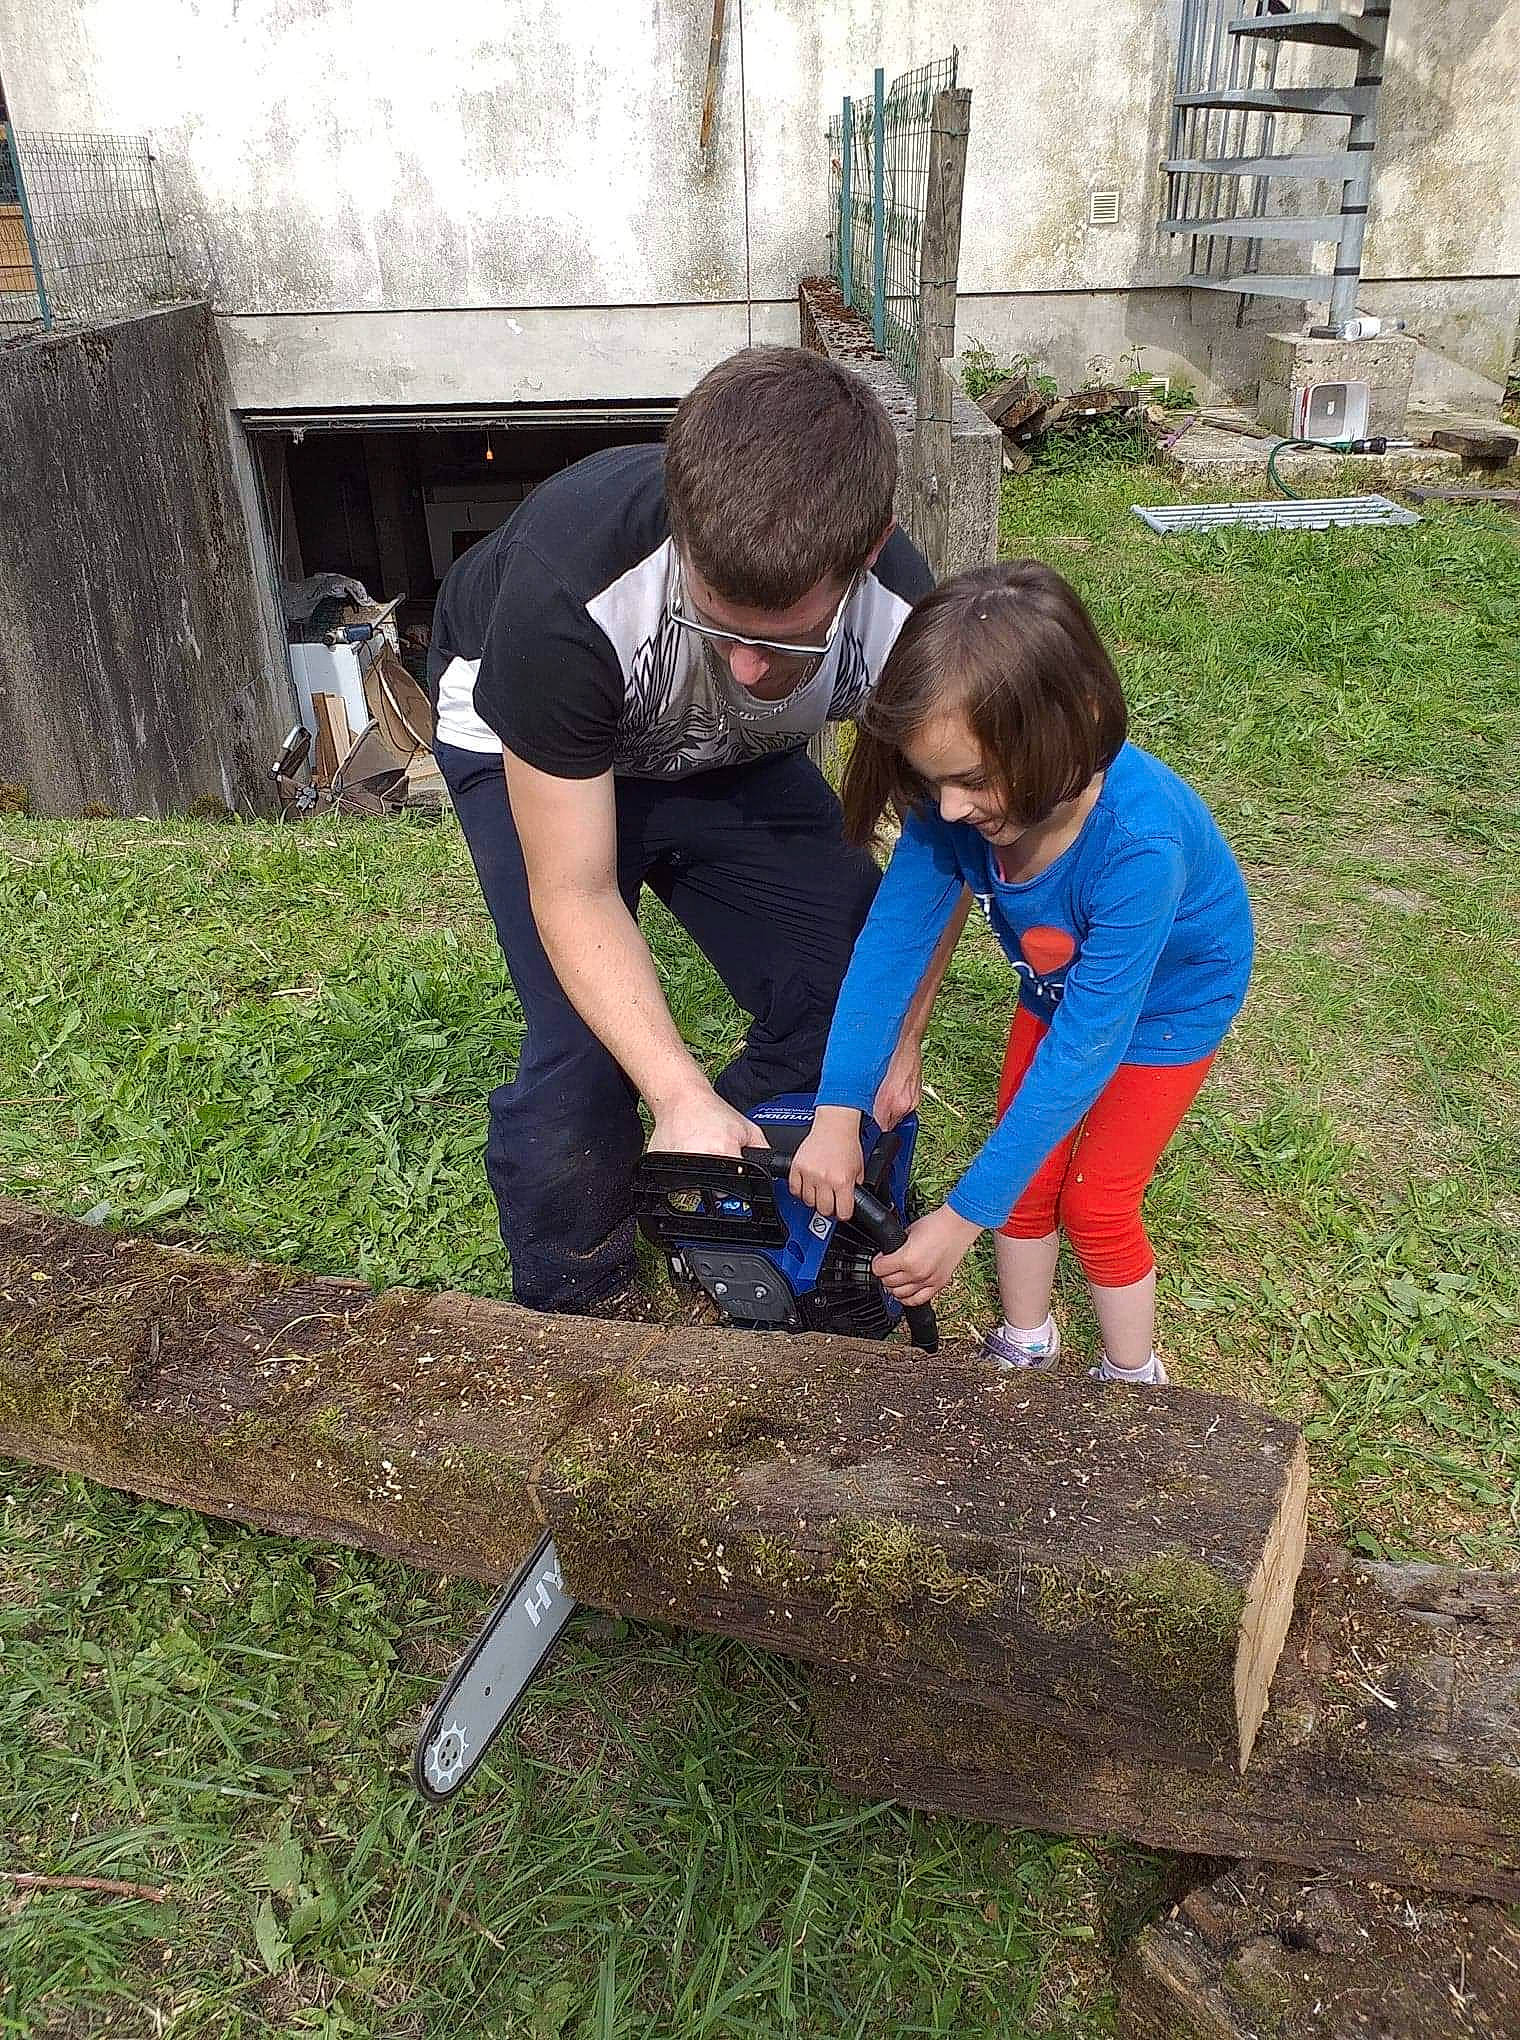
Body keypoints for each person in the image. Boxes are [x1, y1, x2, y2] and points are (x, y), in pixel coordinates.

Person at [428, 347, 965, 1314]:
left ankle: (741, 1194)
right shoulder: (570, 595)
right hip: (544, 741)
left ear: (870, 545)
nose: (753, 672)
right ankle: (576, 1302)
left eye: (788, 639)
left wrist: (904, 1033)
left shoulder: (903, 622)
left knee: (853, 999)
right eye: (723, 629)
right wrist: (670, 1086)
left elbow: (941, 851)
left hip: (733, 758)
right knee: (588, 1054)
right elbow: (575, 890)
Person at [789, 561, 1254, 1386]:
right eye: (933, 782)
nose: (953, 810)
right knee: (1027, 1176)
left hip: (1166, 1013)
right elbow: (889, 949)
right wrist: (837, 1111)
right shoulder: (959, 809)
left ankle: (1133, 1377)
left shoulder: (1141, 848)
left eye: (970, 780)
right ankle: (1026, 1341)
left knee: (1096, 1202)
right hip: (1059, 990)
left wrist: (962, 1217)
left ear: (1076, 723)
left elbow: (1087, 1048)